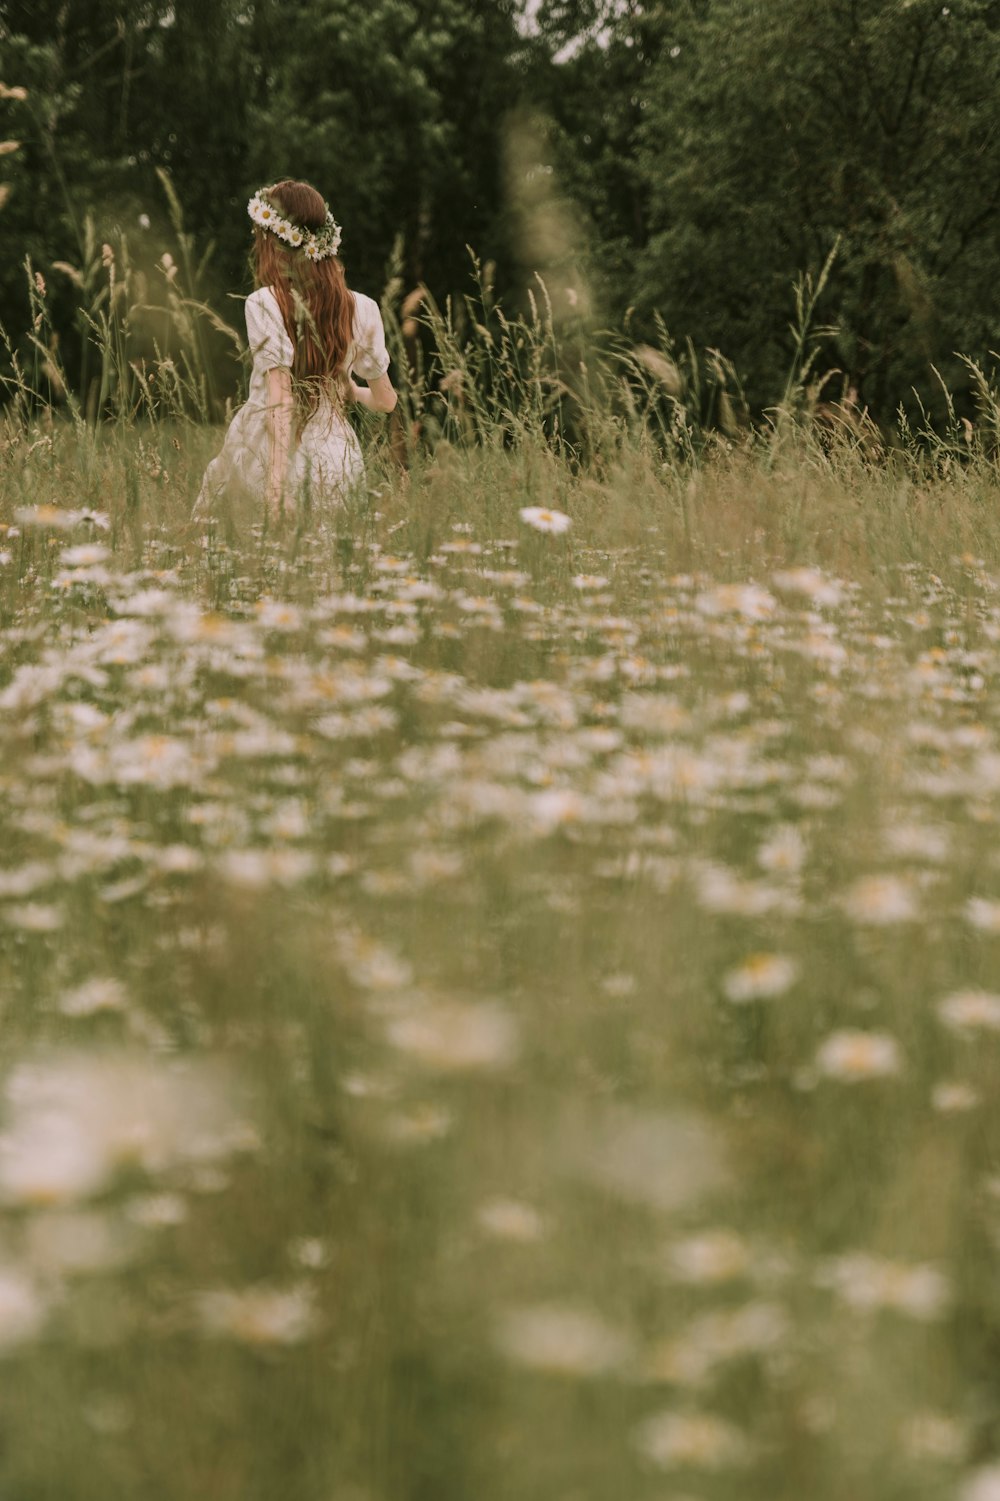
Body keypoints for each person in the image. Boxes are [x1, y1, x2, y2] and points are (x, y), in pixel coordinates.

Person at [195, 179, 397, 521]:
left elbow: (280, 400)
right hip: (337, 458)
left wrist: (276, 488)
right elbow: (386, 401)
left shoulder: (265, 302)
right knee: (331, 567)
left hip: (268, 454)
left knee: (246, 561)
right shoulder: (363, 308)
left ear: (275, 242)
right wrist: (352, 392)